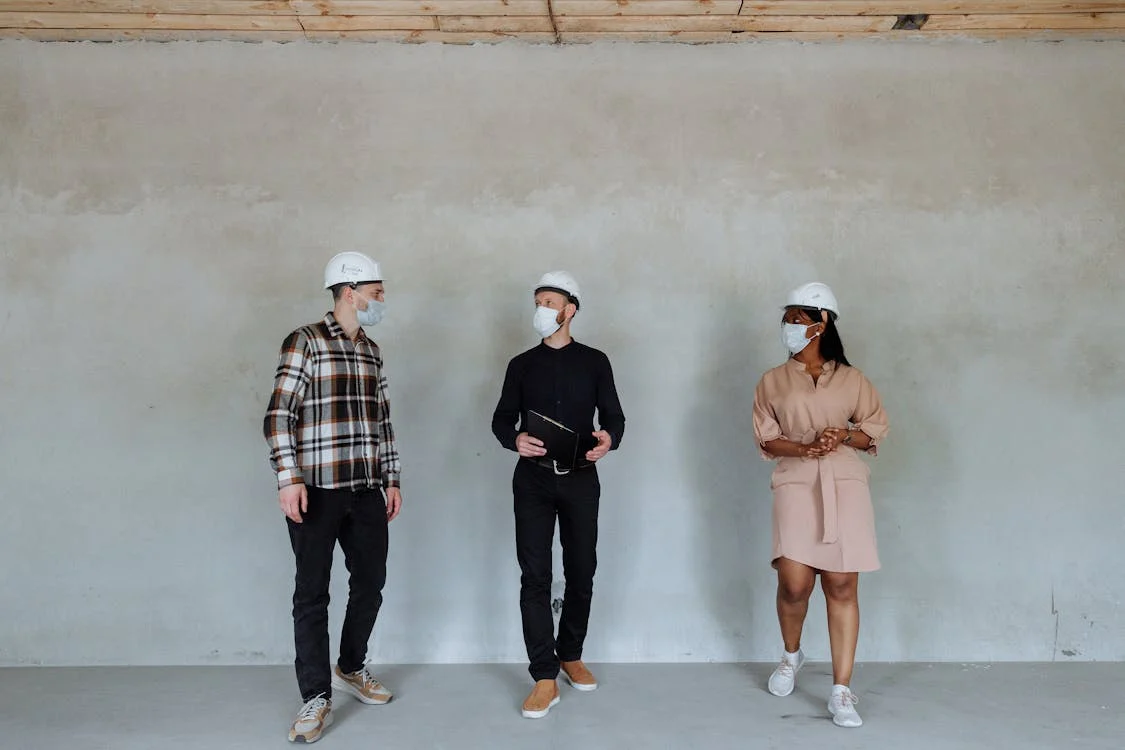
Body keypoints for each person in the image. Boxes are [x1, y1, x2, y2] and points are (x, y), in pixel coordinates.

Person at [263, 251, 404, 743]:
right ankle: (315, 697)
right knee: (312, 593)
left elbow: (383, 421)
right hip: (315, 491)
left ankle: (350, 665)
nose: (381, 300)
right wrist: (288, 477)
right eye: (377, 292)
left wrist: (393, 478)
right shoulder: (304, 341)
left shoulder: (372, 350)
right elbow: (279, 414)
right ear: (350, 291)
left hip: (366, 489)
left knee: (371, 582)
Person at [751, 282, 889, 729]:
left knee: (842, 584)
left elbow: (872, 431)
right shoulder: (772, 380)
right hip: (794, 482)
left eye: (796, 318)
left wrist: (842, 435)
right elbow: (767, 437)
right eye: (786, 319)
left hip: (845, 486)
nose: (788, 326)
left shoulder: (853, 379)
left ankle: (841, 690)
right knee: (793, 581)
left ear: (821, 322)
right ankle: (792, 656)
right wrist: (802, 449)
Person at [491, 271, 626, 719]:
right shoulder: (521, 365)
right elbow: (500, 419)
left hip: (581, 476)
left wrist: (608, 439)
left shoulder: (595, 361)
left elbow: (615, 417)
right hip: (532, 479)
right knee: (535, 576)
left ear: (571, 309)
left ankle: (571, 654)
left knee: (582, 570)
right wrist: (515, 440)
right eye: (537, 301)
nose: (542, 310)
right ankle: (544, 676)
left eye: (550, 302)